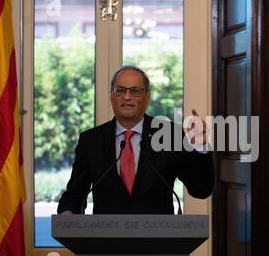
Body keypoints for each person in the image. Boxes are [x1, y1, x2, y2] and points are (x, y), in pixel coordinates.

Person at [57, 66, 214, 215]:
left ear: (147, 96)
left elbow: (201, 190)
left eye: (135, 91)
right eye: (120, 90)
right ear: (111, 96)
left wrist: (200, 147)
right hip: (106, 240)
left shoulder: (169, 135)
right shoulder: (91, 141)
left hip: (158, 240)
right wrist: (67, 212)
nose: (127, 97)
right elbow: (75, 193)